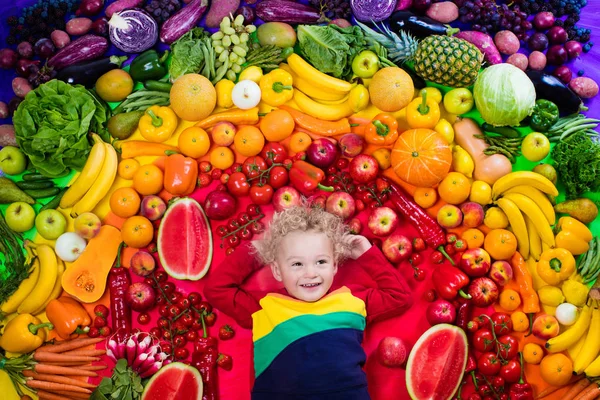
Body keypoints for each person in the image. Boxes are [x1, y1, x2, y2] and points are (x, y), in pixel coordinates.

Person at [203, 204, 413, 400]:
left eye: (321, 261)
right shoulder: (264, 305)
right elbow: (216, 289)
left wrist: (366, 254)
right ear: (277, 270)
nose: (310, 273)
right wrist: (253, 254)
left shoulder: (352, 299)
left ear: (334, 266)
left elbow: (399, 296)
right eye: (297, 264)